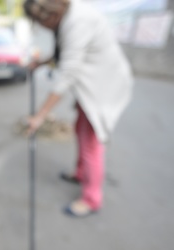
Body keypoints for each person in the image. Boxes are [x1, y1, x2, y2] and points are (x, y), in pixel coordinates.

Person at [23, 0, 134, 217]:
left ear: (48, 14)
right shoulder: (68, 16)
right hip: (92, 85)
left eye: (39, 21)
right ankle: (81, 172)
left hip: (104, 87)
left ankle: (92, 199)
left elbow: (68, 73)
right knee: (80, 129)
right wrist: (43, 63)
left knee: (92, 141)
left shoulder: (77, 21)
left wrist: (40, 115)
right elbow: (64, 53)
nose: (42, 26)